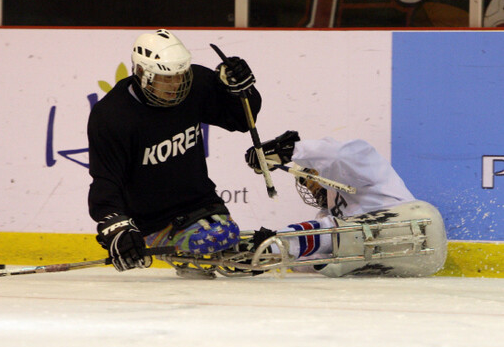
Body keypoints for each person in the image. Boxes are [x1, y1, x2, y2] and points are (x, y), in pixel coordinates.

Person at [88, 29, 261, 272]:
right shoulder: (112, 116)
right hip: (153, 219)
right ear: (141, 73)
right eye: (166, 78)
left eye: (180, 75)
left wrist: (242, 92)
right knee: (214, 238)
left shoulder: (195, 83)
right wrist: (118, 229)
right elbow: (105, 181)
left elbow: (241, 121)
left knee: (224, 235)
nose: (176, 84)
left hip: (203, 203)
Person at [245, 131, 447, 277]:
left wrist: (292, 150)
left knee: (328, 233)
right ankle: (270, 248)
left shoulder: (361, 164)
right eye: (305, 185)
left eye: (309, 179)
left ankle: (266, 246)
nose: (312, 189)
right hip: (418, 263)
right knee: (331, 246)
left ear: (318, 171)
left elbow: (338, 156)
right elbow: (313, 261)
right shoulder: (330, 213)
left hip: (418, 226)